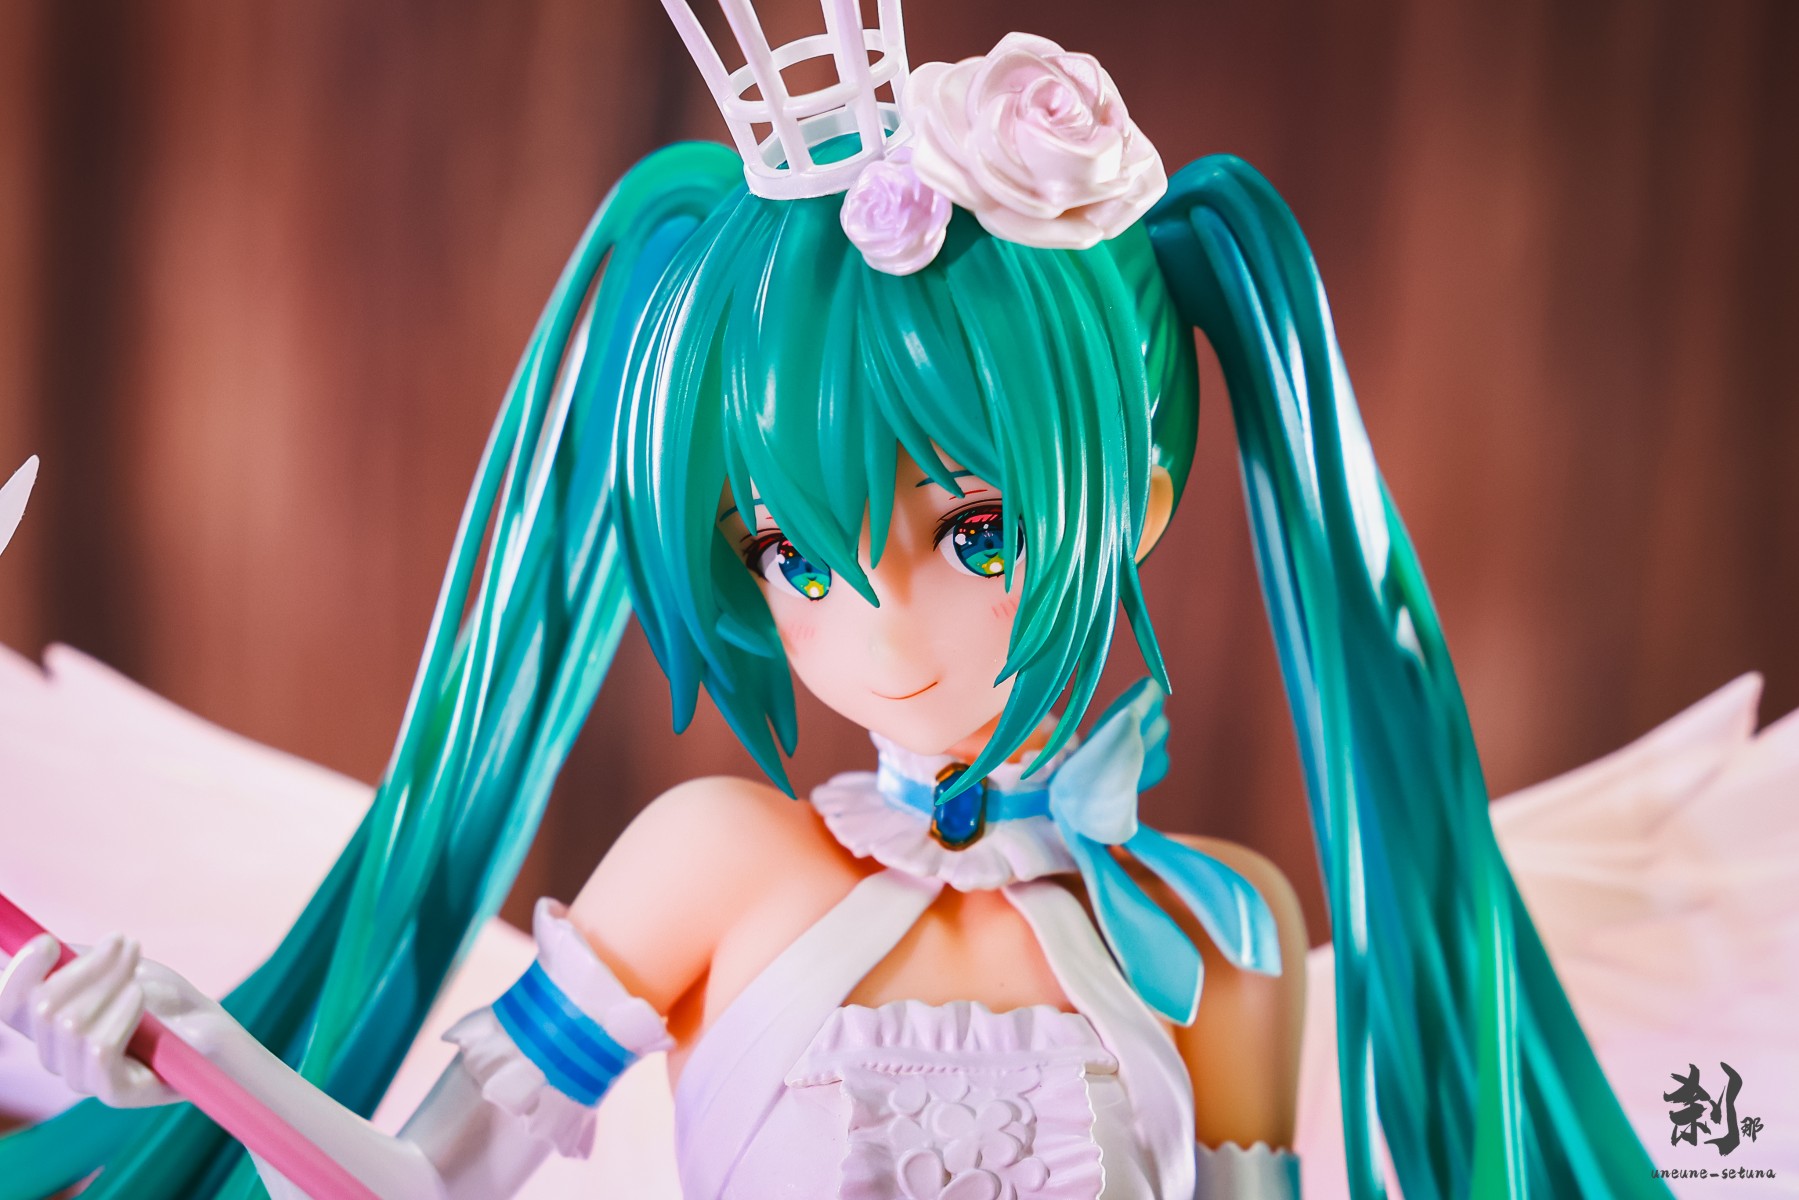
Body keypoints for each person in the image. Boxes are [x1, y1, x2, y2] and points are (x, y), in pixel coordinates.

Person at [0, 3, 1696, 1197]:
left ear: (1142, 496)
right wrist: (201, 1059)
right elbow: (421, 1185)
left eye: (975, 532)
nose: (878, 634)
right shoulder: (715, 866)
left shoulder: (1216, 928)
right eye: (794, 560)